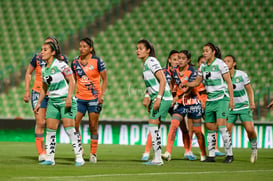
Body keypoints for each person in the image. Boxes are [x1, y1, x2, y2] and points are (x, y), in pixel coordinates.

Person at [180, 43, 234, 163]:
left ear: (213, 52)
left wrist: (231, 99)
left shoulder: (220, 64)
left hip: (221, 98)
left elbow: (229, 82)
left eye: (207, 51)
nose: (204, 53)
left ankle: (229, 154)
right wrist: (186, 83)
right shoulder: (203, 67)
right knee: (210, 127)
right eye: (203, 51)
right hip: (210, 99)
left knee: (221, 125)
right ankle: (211, 155)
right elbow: (197, 82)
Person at [34, 41, 84, 166]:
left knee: (69, 129)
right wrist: (39, 102)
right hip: (52, 102)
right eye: (41, 50)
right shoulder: (44, 68)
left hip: (65, 101)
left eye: (45, 50)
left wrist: (69, 97)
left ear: (53, 52)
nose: (42, 52)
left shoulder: (61, 65)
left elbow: (72, 81)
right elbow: (44, 88)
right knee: (50, 130)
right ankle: (50, 158)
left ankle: (79, 157)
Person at [23, 36, 67, 162]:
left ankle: (49, 151)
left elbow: (67, 76)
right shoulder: (37, 58)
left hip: (54, 94)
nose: (44, 49)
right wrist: (27, 91)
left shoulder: (62, 60)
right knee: (40, 122)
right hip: (38, 92)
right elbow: (28, 73)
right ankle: (41, 152)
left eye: (49, 45)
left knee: (50, 123)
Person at [161, 50, 206, 161]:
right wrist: (171, 94)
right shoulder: (175, 71)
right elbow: (172, 82)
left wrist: (175, 98)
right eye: (179, 58)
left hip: (192, 102)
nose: (180, 61)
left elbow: (189, 89)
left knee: (197, 130)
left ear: (188, 60)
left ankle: (204, 154)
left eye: (183, 58)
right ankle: (168, 152)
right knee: (174, 123)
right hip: (181, 103)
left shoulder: (192, 71)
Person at [137, 39, 173, 165]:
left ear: (148, 50)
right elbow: (151, 85)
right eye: (137, 48)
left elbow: (163, 80)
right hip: (159, 98)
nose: (138, 51)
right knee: (154, 125)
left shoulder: (151, 61)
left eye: (141, 48)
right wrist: (151, 99)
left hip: (163, 98)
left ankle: (157, 159)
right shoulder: (146, 63)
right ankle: (156, 157)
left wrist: (158, 98)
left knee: (153, 125)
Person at [71, 37, 107, 163]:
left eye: (85, 46)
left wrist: (101, 95)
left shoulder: (97, 61)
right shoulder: (75, 62)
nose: (81, 49)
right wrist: (71, 94)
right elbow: (74, 80)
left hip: (94, 99)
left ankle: (93, 153)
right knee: (73, 124)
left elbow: (105, 79)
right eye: (80, 46)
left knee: (93, 126)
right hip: (80, 98)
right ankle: (79, 148)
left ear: (90, 48)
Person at [141, 50, 179, 161]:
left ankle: (165, 154)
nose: (177, 62)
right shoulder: (161, 70)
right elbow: (152, 85)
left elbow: (183, 87)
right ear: (169, 60)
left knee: (177, 124)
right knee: (155, 124)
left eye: (179, 59)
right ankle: (149, 153)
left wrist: (176, 98)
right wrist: (148, 97)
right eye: (174, 60)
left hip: (174, 100)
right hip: (164, 98)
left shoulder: (181, 73)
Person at [224, 55, 258, 163]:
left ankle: (254, 149)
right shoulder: (222, 76)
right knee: (227, 130)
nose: (226, 63)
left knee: (250, 129)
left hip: (243, 106)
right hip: (230, 107)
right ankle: (229, 154)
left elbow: (250, 90)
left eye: (228, 61)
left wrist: (252, 102)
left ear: (234, 63)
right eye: (224, 61)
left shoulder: (242, 75)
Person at [194, 55, 225, 157]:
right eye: (201, 62)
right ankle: (190, 150)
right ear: (198, 64)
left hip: (209, 102)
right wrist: (199, 100)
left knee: (212, 125)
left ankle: (214, 148)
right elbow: (194, 89)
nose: (203, 63)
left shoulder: (210, 74)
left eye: (204, 61)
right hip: (196, 103)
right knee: (194, 129)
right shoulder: (196, 75)